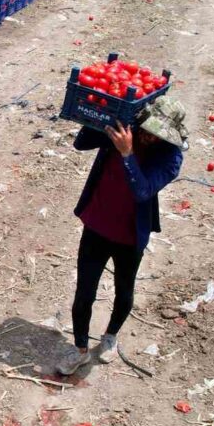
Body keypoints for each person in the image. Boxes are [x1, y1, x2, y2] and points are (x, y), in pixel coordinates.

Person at [58, 97, 188, 375]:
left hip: (130, 233)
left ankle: (110, 336)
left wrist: (127, 154)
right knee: (84, 290)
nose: (148, 137)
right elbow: (80, 144)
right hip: (97, 222)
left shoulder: (170, 157)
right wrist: (99, 120)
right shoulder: (124, 128)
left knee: (124, 288)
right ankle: (80, 349)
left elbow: (142, 191)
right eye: (147, 129)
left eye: (157, 134)